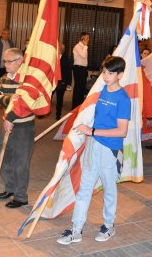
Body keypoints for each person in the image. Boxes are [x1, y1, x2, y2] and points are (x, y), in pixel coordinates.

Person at [57, 56, 131, 245]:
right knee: (84, 188)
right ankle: (76, 229)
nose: (106, 76)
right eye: (104, 72)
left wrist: (92, 131)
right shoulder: (101, 91)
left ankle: (109, 225)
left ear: (120, 75)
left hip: (110, 150)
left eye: (111, 73)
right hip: (93, 145)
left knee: (109, 189)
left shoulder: (123, 99)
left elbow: (122, 131)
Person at [0, 48, 35, 208]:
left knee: (20, 161)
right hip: (7, 124)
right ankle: (10, 188)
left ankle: (20, 196)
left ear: (19, 62)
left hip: (24, 126)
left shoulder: (27, 80)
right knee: (2, 157)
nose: (5, 64)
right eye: (4, 61)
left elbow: (26, 103)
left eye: (8, 61)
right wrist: (11, 99)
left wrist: (14, 106)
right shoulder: (4, 78)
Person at [54, 43, 72, 121]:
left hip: (62, 82)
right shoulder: (53, 58)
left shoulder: (66, 59)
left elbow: (68, 72)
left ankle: (58, 114)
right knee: (48, 96)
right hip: (53, 81)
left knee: (59, 98)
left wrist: (68, 83)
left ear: (61, 50)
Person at [72, 32, 90, 109]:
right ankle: (75, 106)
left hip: (83, 69)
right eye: (87, 38)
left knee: (82, 88)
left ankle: (80, 105)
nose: (88, 39)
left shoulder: (84, 47)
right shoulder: (77, 46)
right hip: (78, 69)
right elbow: (83, 55)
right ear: (82, 38)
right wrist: (85, 46)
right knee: (78, 88)